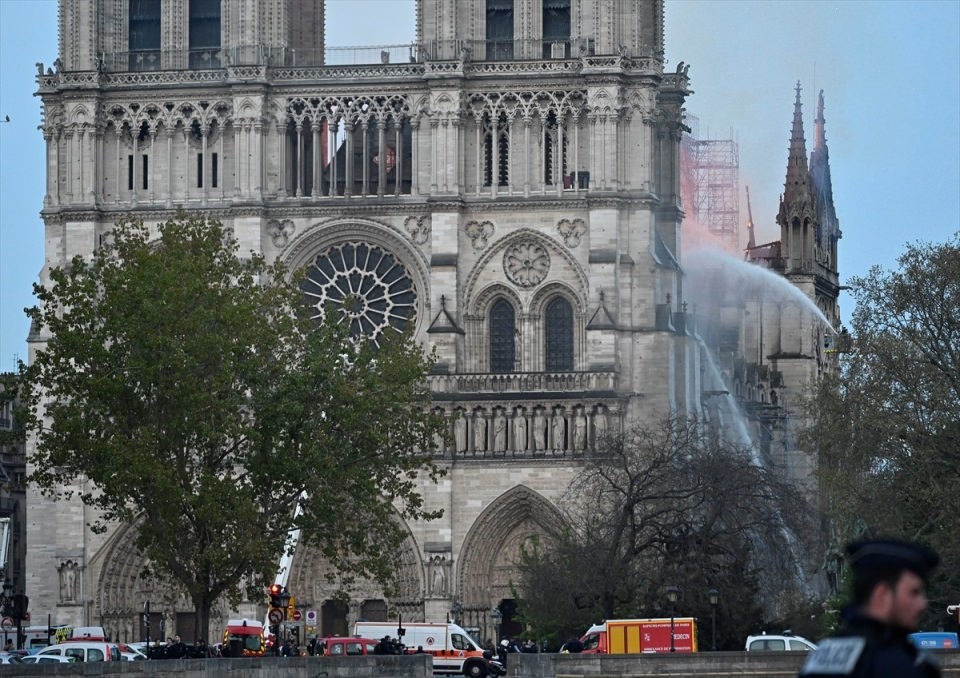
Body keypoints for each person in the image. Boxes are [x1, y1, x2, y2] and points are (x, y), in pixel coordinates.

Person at [799, 538, 940, 677]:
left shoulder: (821, 656)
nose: (923, 603)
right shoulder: (900, 665)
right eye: (914, 592)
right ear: (882, 594)